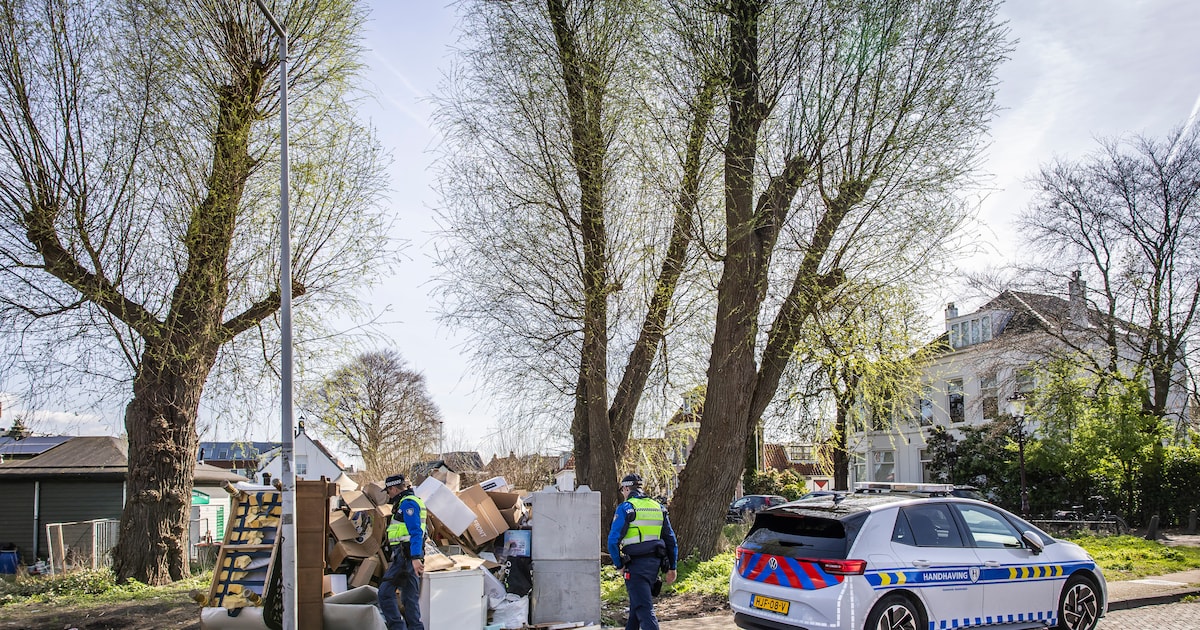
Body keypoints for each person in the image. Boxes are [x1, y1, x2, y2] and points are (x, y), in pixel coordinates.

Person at [606, 473, 678, 630]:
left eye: (622, 490)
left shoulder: (627, 508)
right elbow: (671, 540)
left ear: (626, 488)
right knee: (636, 610)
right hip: (654, 566)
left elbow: (612, 541)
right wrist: (672, 567)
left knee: (644, 610)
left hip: (636, 566)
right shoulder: (658, 507)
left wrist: (619, 564)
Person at [377, 474, 426, 630]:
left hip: (405, 557)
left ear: (393, 488)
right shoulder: (410, 502)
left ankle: (398, 627)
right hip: (408, 556)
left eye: (388, 491)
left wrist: (416, 558)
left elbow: (416, 532)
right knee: (409, 598)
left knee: (384, 593)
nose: (388, 494)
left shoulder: (407, 504)